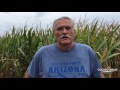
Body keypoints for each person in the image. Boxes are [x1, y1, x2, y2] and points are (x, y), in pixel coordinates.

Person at [24, 16, 105, 78]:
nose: (64, 32)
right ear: (54, 33)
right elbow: (29, 75)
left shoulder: (87, 51)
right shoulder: (42, 53)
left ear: (74, 32)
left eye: (68, 28)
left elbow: (100, 75)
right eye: (59, 29)